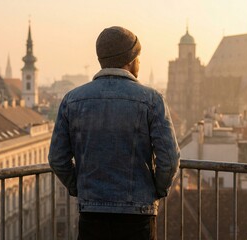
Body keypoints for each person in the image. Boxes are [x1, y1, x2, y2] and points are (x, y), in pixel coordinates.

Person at [48, 26, 180, 240]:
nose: (139, 62)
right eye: (138, 57)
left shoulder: (72, 100)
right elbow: (169, 160)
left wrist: (79, 188)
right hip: (137, 214)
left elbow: (57, 159)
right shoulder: (152, 100)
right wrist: (156, 190)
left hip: (92, 213)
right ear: (129, 60)